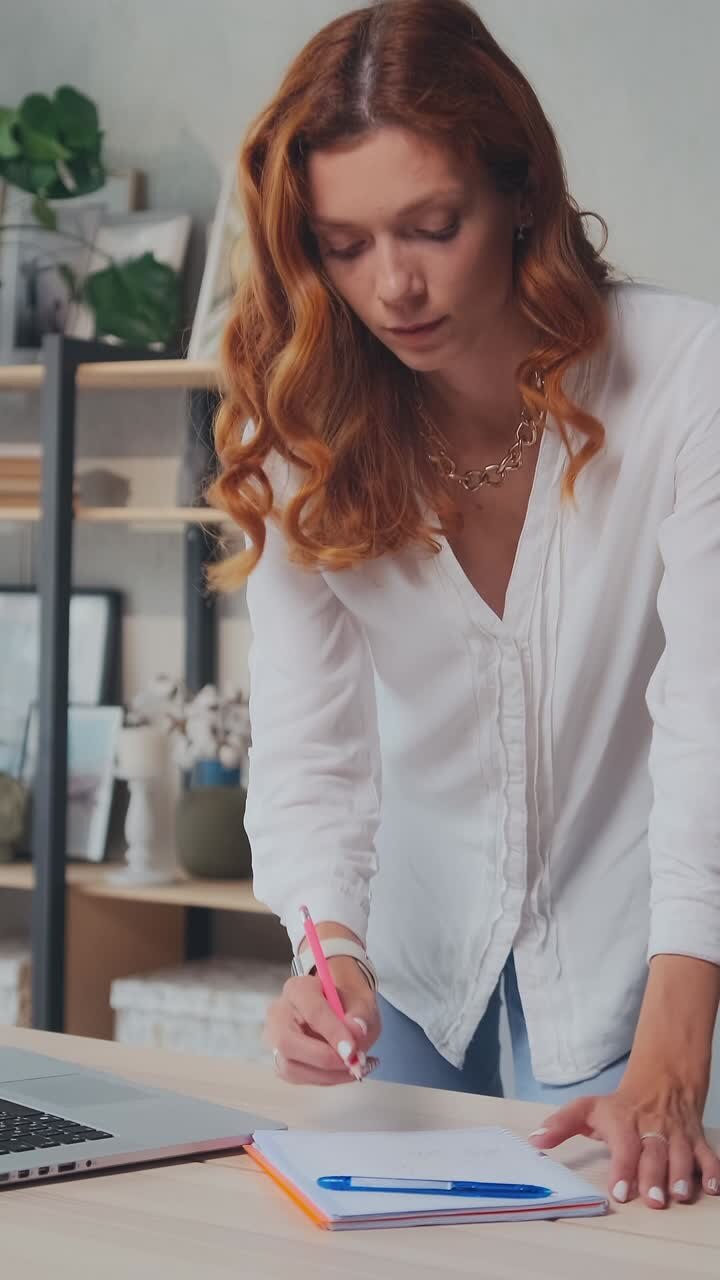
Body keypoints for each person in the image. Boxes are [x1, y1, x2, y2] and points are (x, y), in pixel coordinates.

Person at [208, 0, 720, 1212]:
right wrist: (326, 953)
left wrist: (678, 1040)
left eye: (433, 226)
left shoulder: (686, 377)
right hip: (412, 983)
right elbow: (311, 753)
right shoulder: (291, 432)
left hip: (645, 972)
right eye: (342, 244)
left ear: (521, 192)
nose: (394, 284)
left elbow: (712, 721)